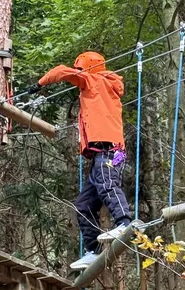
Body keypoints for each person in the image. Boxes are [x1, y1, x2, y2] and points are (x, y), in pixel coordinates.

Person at [27, 51, 131, 270]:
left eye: (81, 70)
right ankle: (92, 251)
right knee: (84, 204)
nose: (79, 75)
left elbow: (61, 71)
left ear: (87, 69)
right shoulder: (103, 87)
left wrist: (39, 84)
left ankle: (124, 223)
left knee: (106, 182)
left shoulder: (95, 80)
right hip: (109, 153)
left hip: (112, 150)